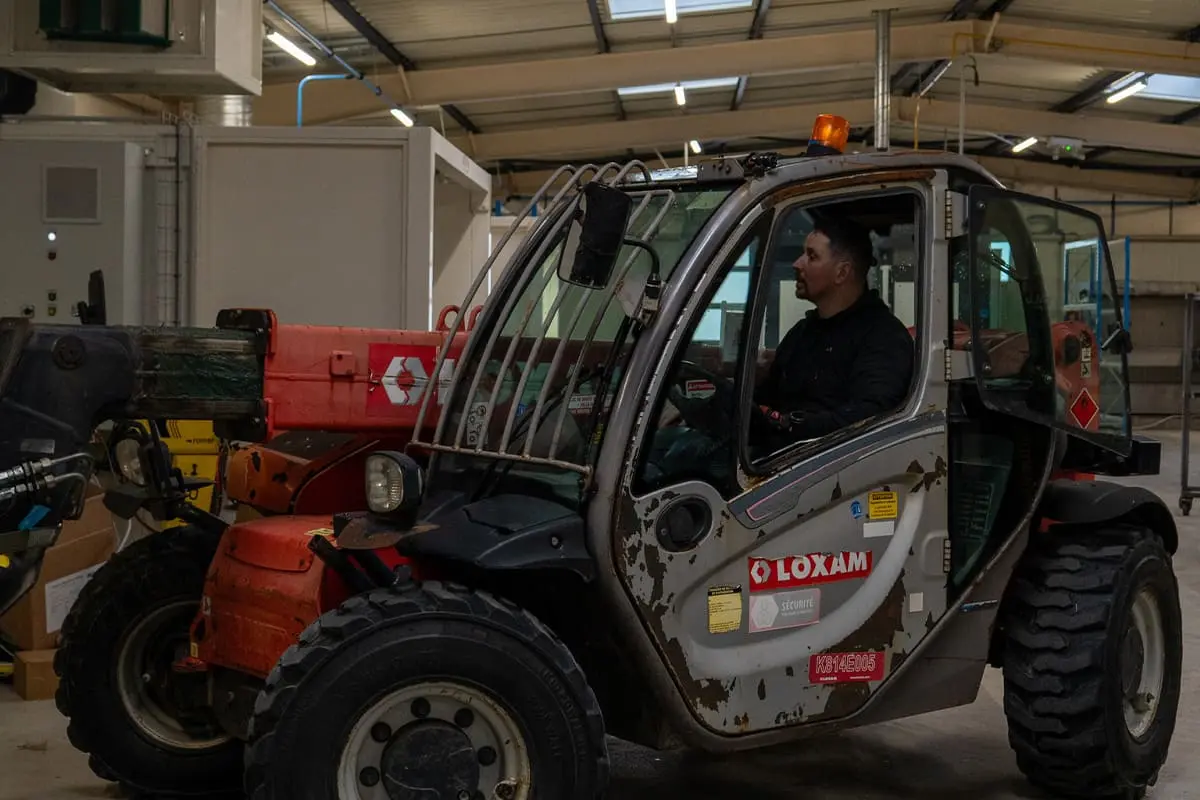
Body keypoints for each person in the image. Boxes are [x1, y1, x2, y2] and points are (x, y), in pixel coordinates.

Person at [754, 213, 915, 449]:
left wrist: (790, 424)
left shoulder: (883, 338)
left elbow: (870, 419)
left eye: (812, 256)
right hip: (777, 462)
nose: (797, 264)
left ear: (841, 273)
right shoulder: (802, 333)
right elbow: (765, 397)